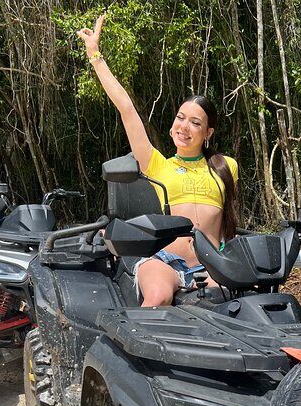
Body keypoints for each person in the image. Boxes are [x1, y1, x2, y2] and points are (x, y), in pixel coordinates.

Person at [78, 16, 239, 307]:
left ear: (208, 133)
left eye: (195, 122)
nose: (184, 127)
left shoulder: (226, 166)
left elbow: (227, 222)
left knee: (238, 302)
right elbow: (127, 109)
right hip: (167, 262)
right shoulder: (158, 165)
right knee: (157, 296)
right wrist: (95, 56)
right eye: (180, 118)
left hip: (214, 265)